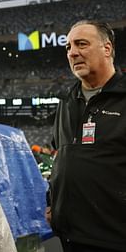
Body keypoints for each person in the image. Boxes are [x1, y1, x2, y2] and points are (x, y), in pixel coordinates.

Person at [49, 20, 126, 251]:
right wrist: (51, 202)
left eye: (81, 44)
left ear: (107, 49)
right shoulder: (67, 101)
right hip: (70, 236)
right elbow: (60, 159)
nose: (73, 53)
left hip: (114, 238)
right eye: (69, 47)